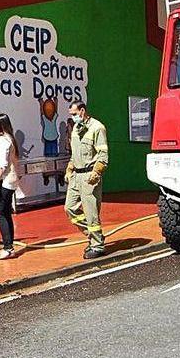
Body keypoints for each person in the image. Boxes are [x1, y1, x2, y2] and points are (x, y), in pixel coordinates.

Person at [64, 102, 109, 259]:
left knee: (91, 213)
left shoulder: (97, 128)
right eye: (71, 114)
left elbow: (103, 154)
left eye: (75, 114)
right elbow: (74, 153)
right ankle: (93, 236)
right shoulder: (76, 129)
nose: (73, 117)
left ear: (82, 111)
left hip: (90, 176)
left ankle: (97, 246)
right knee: (70, 208)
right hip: (76, 175)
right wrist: (69, 169)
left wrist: (96, 172)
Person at [0, 113, 21, 260]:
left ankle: (8, 248)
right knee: (5, 213)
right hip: (10, 180)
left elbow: (2, 164)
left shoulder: (3, 141)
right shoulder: (9, 139)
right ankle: (9, 246)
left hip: (5, 181)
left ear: (1, 125)